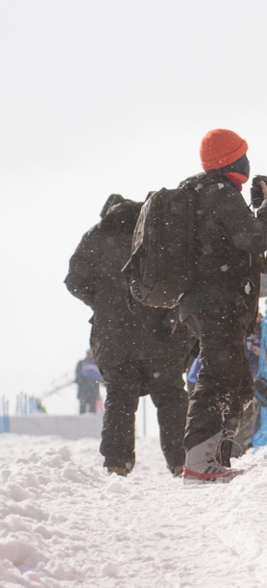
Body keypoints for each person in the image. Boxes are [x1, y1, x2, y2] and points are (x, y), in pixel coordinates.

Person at [176, 129, 267, 482]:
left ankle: (218, 454)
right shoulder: (220, 194)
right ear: (233, 160)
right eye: (243, 154)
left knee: (238, 381)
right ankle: (198, 462)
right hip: (216, 302)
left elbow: (231, 240)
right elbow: (254, 238)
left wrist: (256, 205)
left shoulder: (203, 193)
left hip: (201, 301)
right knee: (216, 377)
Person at [65, 193, 196, 475]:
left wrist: (103, 302)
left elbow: (74, 280)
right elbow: (185, 275)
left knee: (120, 399)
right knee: (171, 396)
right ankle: (181, 461)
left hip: (115, 336)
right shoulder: (159, 229)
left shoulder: (97, 235)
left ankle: (116, 463)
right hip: (162, 331)